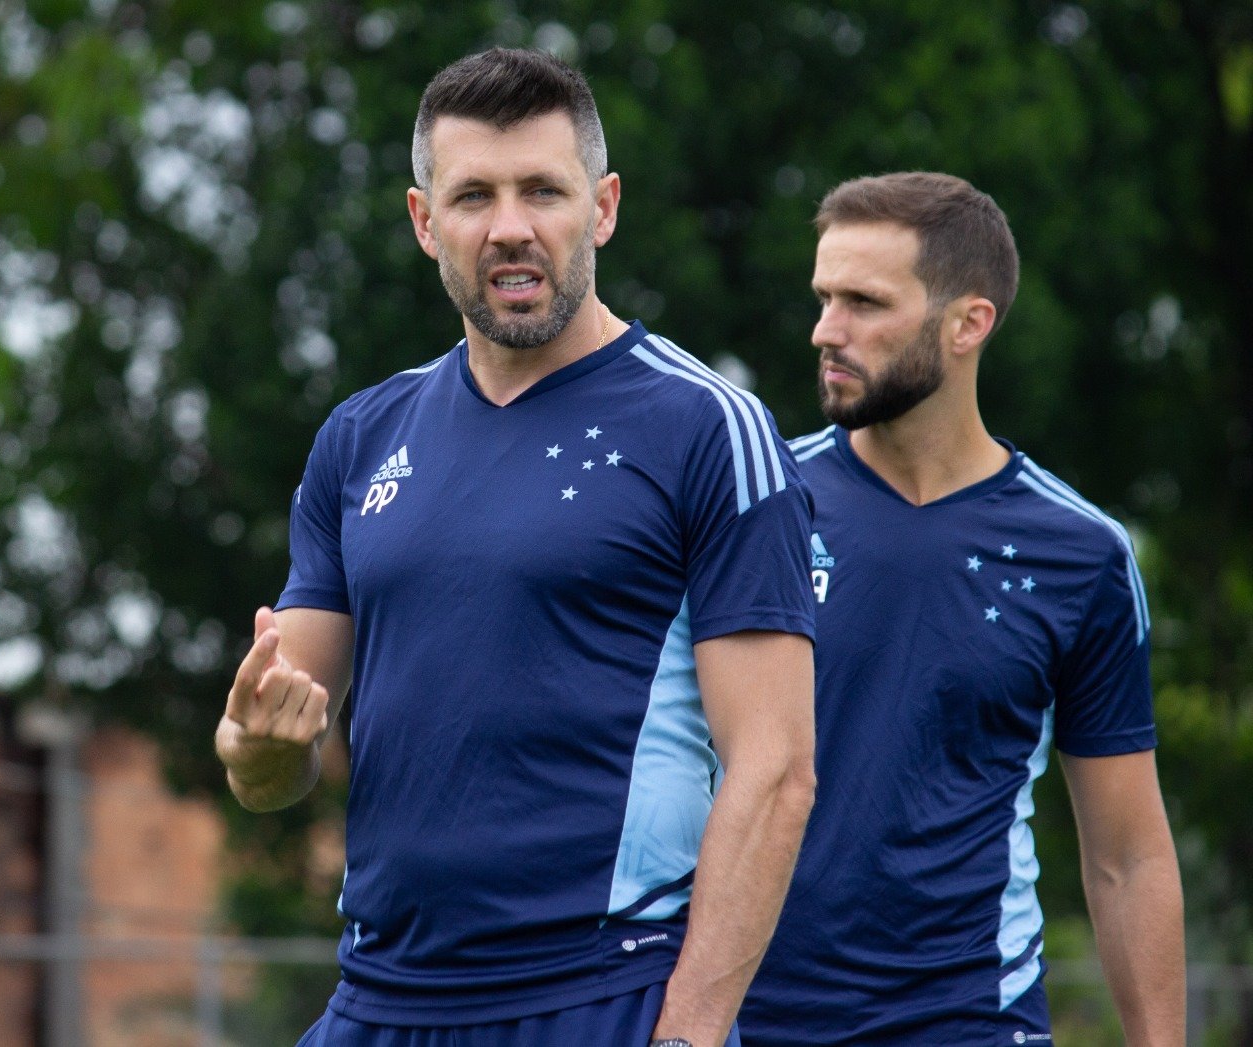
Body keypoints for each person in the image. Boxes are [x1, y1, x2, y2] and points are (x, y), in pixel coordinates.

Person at [215, 48, 818, 1047]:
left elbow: (776, 768)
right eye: (472, 196)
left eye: (543, 189)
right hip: (378, 1001)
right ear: (422, 222)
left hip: (598, 999)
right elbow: (277, 764)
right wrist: (253, 748)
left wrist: (687, 1035)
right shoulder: (360, 439)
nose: (510, 227)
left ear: (603, 207)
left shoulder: (707, 430)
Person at [739, 172, 1185, 1045]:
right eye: (825, 297)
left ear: (968, 323)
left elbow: (1128, 858)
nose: (826, 330)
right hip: (755, 1019)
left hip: (973, 1018)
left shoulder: (1082, 552)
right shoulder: (758, 506)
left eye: (864, 302)